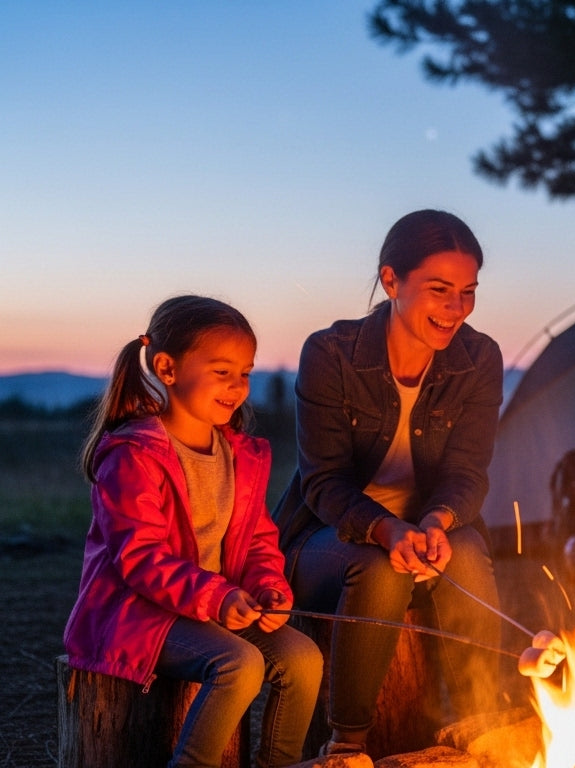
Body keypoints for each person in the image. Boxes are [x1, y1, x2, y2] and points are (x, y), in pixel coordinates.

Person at [273, 209, 505, 756]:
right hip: (326, 540)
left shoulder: (478, 359)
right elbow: (323, 483)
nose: (456, 309)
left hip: (426, 531)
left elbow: (468, 472)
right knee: (378, 566)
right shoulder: (331, 354)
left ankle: (484, 727)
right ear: (391, 280)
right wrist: (385, 529)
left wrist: (435, 521)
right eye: (440, 289)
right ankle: (348, 745)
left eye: (468, 292)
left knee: (468, 555)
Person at [64, 295, 321, 768]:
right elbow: (141, 559)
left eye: (244, 372)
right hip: (139, 615)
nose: (237, 386)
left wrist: (268, 588)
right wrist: (218, 596)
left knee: (303, 659)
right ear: (166, 367)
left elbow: (260, 539)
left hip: (214, 606)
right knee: (239, 665)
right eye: (222, 371)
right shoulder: (134, 455)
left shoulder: (240, 455)